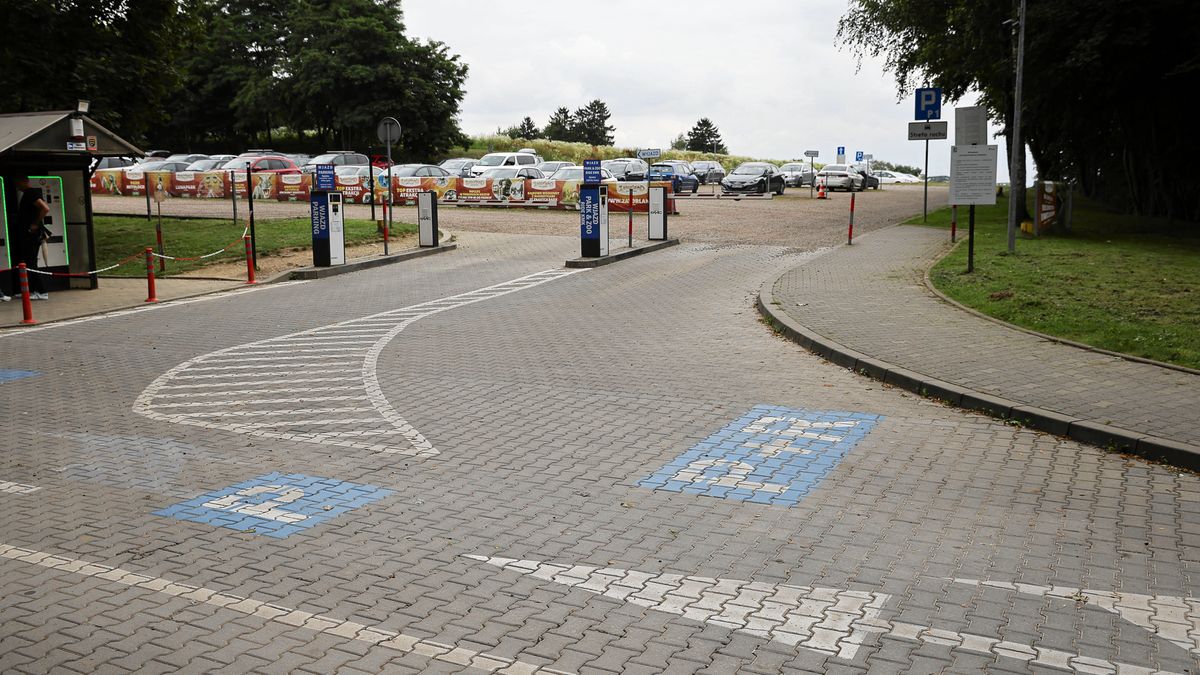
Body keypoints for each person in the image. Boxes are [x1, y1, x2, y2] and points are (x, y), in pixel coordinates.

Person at [12, 176, 51, 300]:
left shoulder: (31, 193)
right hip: (30, 233)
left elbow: (45, 208)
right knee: (29, 262)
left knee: (31, 263)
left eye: (18, 183)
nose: (17, 186)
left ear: (24, 181)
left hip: (31, 234)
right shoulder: (29, 194)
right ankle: (32, 290)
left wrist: (35, 223)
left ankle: (42, 291)